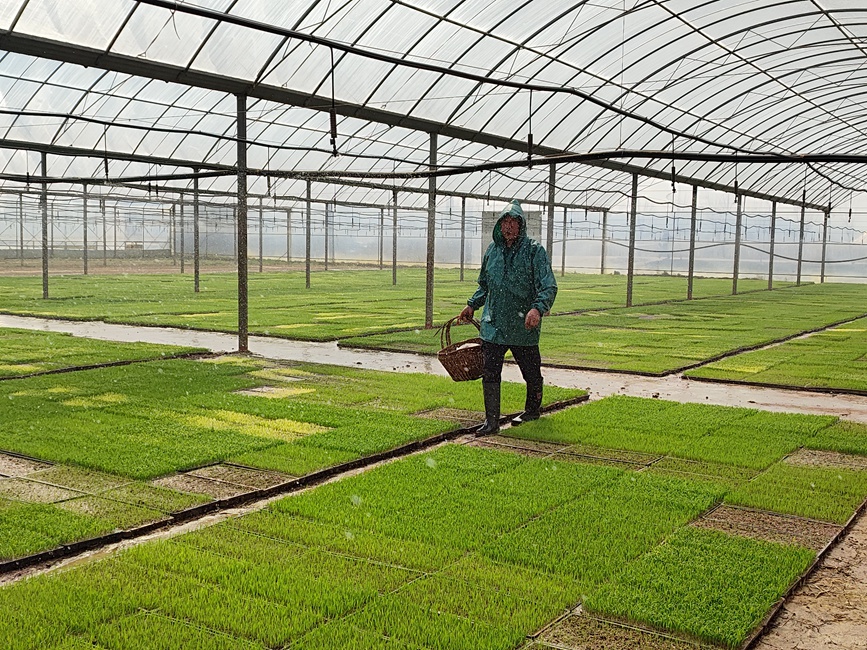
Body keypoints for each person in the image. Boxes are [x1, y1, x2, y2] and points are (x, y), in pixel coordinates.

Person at [458, 199, 557, 435]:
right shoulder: (492, 251)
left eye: (513, 222)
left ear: (521, 226)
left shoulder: (534, 251)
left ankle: (532, 410)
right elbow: (485, 285)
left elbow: (548, 286)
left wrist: (537, 309)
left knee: (531, 372)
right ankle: (491, 422)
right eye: (505, 222)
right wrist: (472, 305)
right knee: (491, 372)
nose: (509, 227)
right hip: (494, 324)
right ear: (499, 226)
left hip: (523, 326)